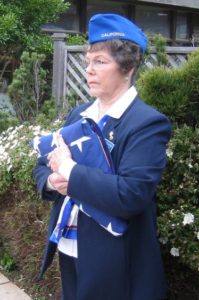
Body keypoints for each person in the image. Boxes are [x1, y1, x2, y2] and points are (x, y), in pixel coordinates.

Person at [33, 13, 171, 300]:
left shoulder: (147, 123)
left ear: (128, 66)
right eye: (88, 62)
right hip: (70, 250)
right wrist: (52, 181)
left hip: (117, 263)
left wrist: (69, 170)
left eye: (100, 62)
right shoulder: (78, 114)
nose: (89, 71)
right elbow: (43, 166)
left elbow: (131, 194)